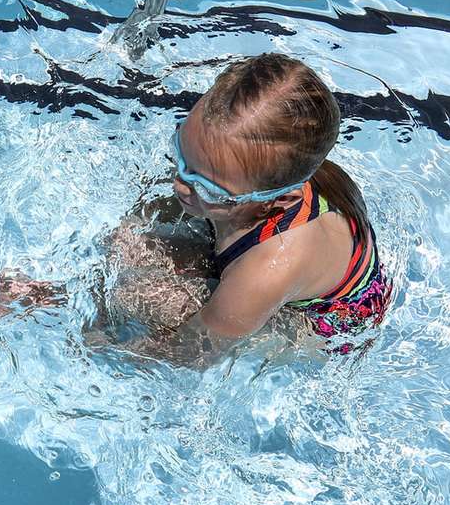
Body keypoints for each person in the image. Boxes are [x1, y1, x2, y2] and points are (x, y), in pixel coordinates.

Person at [103, 54, 393, 364]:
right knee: (130, 244)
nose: (180, 185)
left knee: (140, 295)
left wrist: (96, 344)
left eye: (207, 187)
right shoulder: (246, 173)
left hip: (324, 326)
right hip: (255, 249)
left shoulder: (269, 269)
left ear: (281, 199)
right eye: (181, 153)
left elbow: (189, 355)